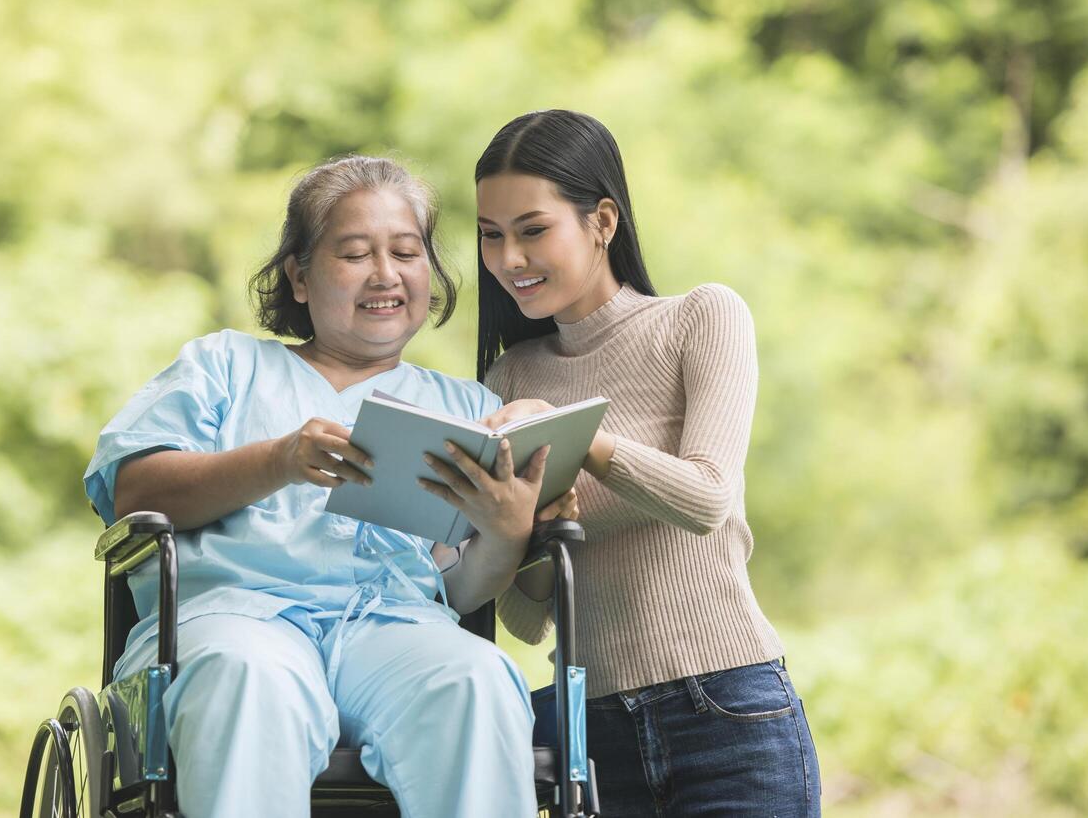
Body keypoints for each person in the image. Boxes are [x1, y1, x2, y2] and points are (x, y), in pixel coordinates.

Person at [83, 155, 549, 818]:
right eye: (355, 253)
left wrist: (505, 531)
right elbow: (135, 491)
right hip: (238, 617)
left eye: (406, 252)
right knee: (248, 679)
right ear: (298, 276)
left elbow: (458, 586)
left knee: (473, 678)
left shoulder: (461, 406)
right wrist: (275, 461)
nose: (385, 275)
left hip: (392, 629)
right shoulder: (223, 365)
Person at [469, 110, 823, 817]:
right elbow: (524, 616)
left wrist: (577, 441)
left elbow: (705, 499)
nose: (509, 259)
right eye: (490, 235)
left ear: (602, 221)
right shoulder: (509, 378)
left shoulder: (701, 318)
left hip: (725, 708)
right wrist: (527, 528)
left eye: (532, 230)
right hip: (590, 732)